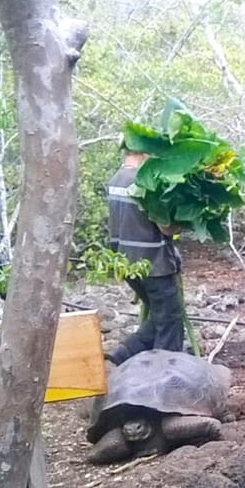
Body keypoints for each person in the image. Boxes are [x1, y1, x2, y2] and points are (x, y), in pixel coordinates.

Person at [103, 144, 186, 365]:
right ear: (144, 152)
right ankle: (163, 372)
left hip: (125, 264)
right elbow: (166, 228)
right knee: (170, 321)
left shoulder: (115, 180)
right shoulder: (146, 182)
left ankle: (123, 352)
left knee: (159, 316)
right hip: (153, 263)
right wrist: (183, 218)